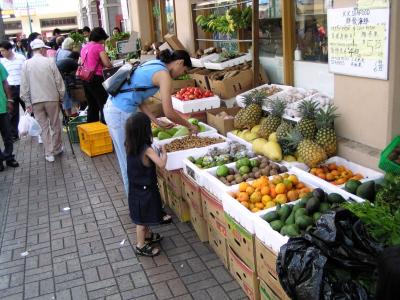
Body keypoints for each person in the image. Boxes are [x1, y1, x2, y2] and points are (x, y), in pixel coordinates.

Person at [104, 49, 197, 194]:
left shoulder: (153, 64)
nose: (181, 75)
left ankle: (137, 204)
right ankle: (137, 206)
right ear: (180, 62)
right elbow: (169, 112)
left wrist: (156, 121)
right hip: (120, 113)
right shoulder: (164, 75)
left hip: (115, 109)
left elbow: (138, 97)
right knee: (130, 162)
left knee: (129, 159)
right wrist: (189, 126)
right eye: (183, 70)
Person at [125, 112, 172, 257]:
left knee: (143, 214)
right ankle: (140, 245)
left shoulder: (129, 144)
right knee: (141, 219)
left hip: (135, 187)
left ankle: (147, 236)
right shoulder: (147, 149)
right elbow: (161, 164)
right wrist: (164, 153)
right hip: (146, 189)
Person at [20, 39, 65, 162]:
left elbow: (24, 86)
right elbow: (58, 81)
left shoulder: (26, 64)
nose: (46, 50)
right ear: (40, 49)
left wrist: (27, 102)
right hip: (52, 98)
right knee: (55, 124)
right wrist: (61, 96)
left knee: (43, 127)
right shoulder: (49, 62)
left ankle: (48, 153)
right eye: (44, 49)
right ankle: (57, 148)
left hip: (36, 100)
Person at [80, 27, 112, 123]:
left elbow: (81, 62)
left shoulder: (84, 47)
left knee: (92, 105)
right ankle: (105, 127)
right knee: (103, 104)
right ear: (100, 37)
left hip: (86, 79)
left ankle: (91, 128)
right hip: (97, 79)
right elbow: (107, 64)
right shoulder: (99, 47)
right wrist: (112, 64)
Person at [0, 41, 26, 140]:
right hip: (10, 89)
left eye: (3, 51)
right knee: (13, 112)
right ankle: (14, 134)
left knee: (28, 109)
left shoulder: (21, 58)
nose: (1, 53)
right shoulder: (2, 62)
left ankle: (34, 130)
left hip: (22, 87)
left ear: (9, 50)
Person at [0, 62, 19, 171]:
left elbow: (5, 82)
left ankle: (8, 157)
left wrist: (10, 99)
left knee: (7, 134)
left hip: (2, 106)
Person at [56, 37, 79, 116]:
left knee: (65, 98)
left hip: (58, 77)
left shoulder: (60, 52)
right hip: (63, 78)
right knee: (68, 97)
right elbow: (78, 70)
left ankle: (68, 116)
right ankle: (72, 115)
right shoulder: (71, 59)